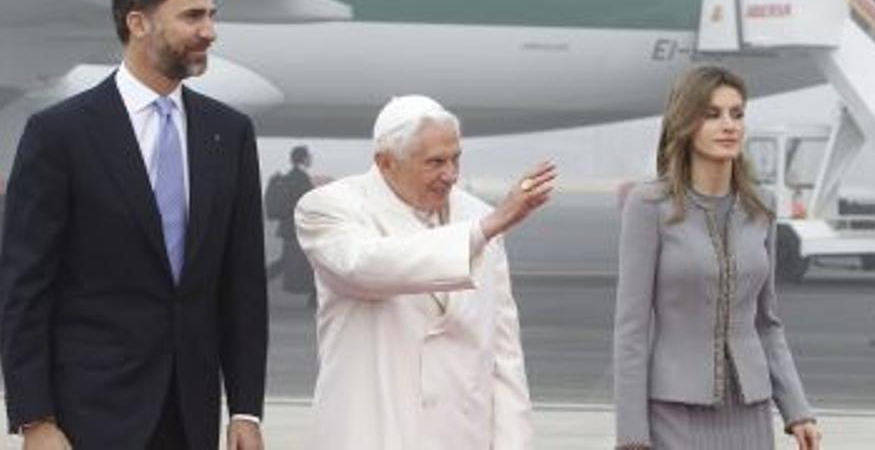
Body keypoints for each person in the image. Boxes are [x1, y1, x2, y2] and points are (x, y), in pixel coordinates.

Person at [0, 0, 267, 449]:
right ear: (138, 23)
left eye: (212, 14)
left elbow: (243, 284)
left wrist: (246, 408)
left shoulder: (228, 134)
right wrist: (35, 418)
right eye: (192, 16)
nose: (209, 31)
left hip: (190, 415)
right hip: (88, 415)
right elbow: (25, 287)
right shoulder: (60, 134)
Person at [295, 95, 555, 450]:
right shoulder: (328, 208)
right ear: (386, 163)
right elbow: (365, 267)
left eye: (455, 159)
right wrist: (482, 231)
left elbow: (503, 356)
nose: (450, 175)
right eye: (435, 162)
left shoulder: (476, 215)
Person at [613, 66, 821, 450]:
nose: (729, 125)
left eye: (737, 114)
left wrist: (797, 409)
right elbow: (631, 330)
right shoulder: (648, 205)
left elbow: (767, 323)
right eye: (713, 115)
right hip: (674, 411)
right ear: (685, 123)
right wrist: (631, 436)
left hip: (750, 410)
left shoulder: (762, 207)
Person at [266, 145, 315, 302]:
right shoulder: (302, 179)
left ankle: (314, 297)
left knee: (286, 262)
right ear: (303, 158)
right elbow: (306, 204)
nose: (311, 159)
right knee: (312, 261)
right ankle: (314, 297)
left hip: (290, 229)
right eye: (309, 156)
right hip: (298, 229)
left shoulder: (290, 177)